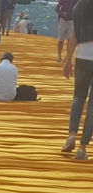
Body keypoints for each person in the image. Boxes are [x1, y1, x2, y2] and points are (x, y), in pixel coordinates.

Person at [62, 0, 93, 161]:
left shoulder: (78, 6)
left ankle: (71, 135)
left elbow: (73, 36)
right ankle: (82, 147)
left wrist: (67, 60)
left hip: (82, 55)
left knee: (78, 97)